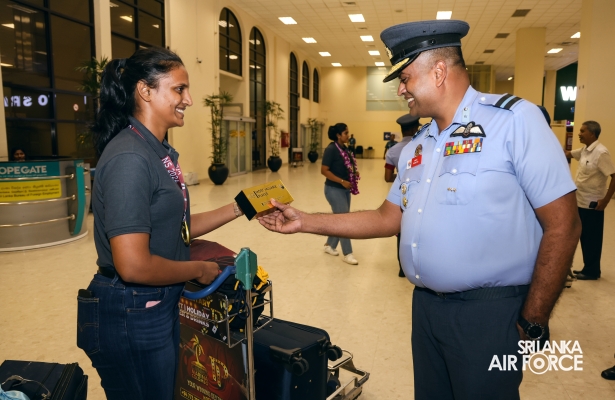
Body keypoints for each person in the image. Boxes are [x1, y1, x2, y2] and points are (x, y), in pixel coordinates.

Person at [259, 19, 580, 400]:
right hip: (426, 310)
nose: (401, 89)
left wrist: (534, 319)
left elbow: (564, 225)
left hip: (489, 315)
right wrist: (305, 221)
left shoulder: (513, 121)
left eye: (405, 78)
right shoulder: (419, 145)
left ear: (439, 71)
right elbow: (387, 217)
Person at [77, 47, 244, 400]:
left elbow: (175, 227)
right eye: (179, 89)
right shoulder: (130, 157)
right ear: (145, 91)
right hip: (131, 312)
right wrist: (199, 269)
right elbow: (133, 264)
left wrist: (239, 208)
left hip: (151, 304)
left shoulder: (156, 151)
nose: (189, 100)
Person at [565, 121, 615, 280]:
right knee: (584, 237)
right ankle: (588, 268)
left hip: (593, 204)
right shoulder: (585, 150)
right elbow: (568, 154)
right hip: (580, 201)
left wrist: (606, 200)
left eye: (582, 131)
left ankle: (592, 271)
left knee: (592, 238)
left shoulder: (601, 153)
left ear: (592, 134)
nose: (579, 134)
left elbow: (614, 176)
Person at [384, 114, 421, 278]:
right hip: (421, 194)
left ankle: (402, 267)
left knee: (401, 228)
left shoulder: (392, 150)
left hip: (402, 195)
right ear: (414, 129)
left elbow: (387, 177)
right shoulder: (423, 146)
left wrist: (403, 177)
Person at [321, 123, 360, 265]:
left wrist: (353, 173)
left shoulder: (345, 148)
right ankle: (348, 253)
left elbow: (346, 166)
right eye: (345, 133)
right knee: (344, 221)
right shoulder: (331, 149)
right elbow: (324, 170)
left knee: (340, 219)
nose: (348, 135)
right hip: (333, 189)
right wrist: (342, 181)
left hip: (345, 189)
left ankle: (330, 245)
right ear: (338, 135)